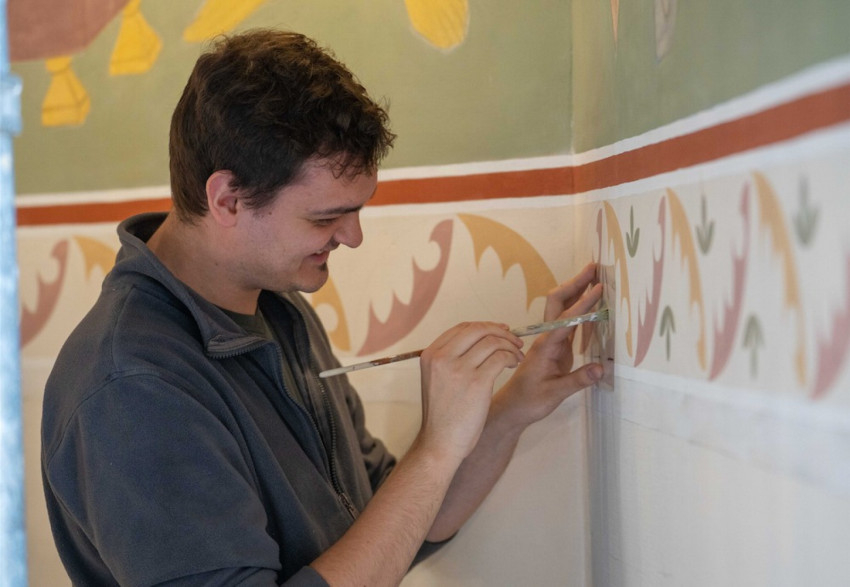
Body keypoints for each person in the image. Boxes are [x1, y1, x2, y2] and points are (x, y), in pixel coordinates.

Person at [41, 29, 604, 586]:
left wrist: (511, 407)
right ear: (227, 200)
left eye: (357, 210)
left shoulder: (279, 308)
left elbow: (399, 525)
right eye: (325, 217)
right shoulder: (134, 389)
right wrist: (434, 450)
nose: (353, 237)